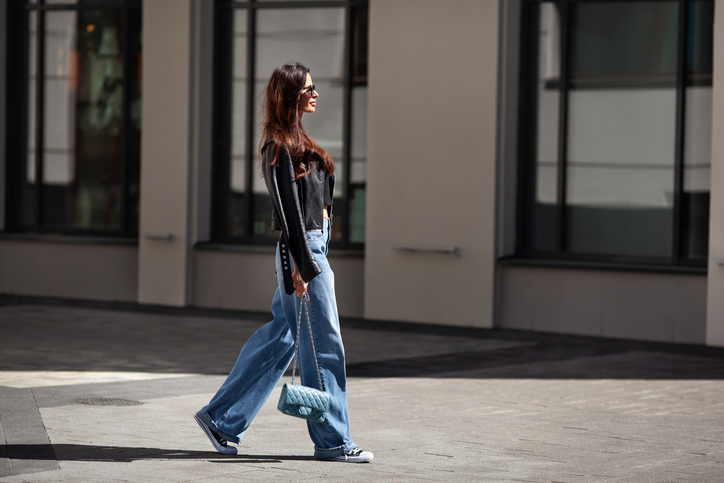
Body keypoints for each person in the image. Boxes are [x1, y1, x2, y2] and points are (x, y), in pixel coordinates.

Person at [194, 62, 373, 464]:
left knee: (282, 340)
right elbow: (288, 211)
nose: (315, 94)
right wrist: (301, 265)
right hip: (304, 252)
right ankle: (333, 442)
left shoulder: (297, 140)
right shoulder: (277, 146)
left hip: (312, 247)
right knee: (325, 348)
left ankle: (221, 419)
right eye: (308, 88)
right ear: (290, 95)